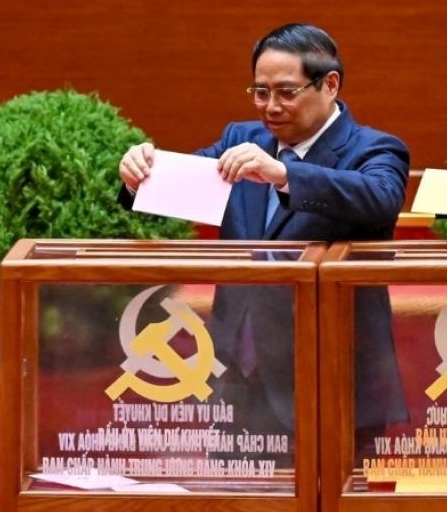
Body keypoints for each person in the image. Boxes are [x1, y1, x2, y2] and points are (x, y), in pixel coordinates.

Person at [117, 23, 410, 465]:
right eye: (260, 92)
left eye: (286, 92)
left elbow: (381, 197)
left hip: (329, 377)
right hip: (238, 375)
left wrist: (285, 174)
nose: (271, 107)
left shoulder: (374, 149)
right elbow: (176, 185)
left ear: (330, 84)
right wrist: (138, 174)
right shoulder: (241, 140)